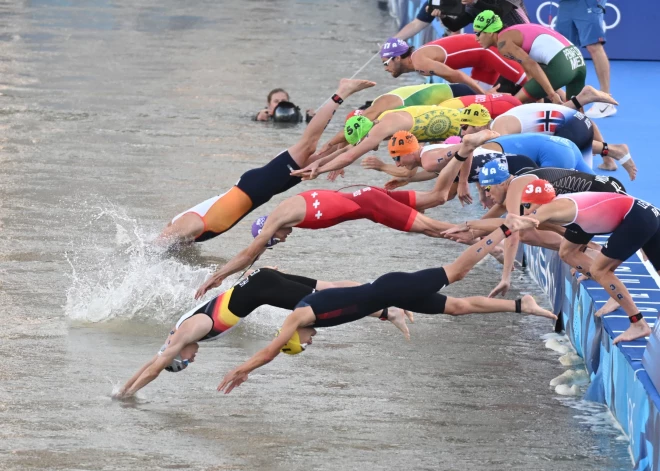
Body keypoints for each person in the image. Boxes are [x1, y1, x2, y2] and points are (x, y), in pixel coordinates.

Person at [216, 229, 557, 394]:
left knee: (457, 272)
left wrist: (243, 369)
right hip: (389, 294)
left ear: (293, 338)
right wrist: (386, 313)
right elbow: (348, 294)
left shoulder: (299, 317)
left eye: (304, 344)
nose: (312, 340)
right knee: (457, 307)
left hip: (393, 287)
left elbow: (268, 351)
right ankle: (521, 305)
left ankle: (505, 229)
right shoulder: (314, 313)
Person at [112, 268, 412, 399]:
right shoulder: (180, 336)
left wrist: (129, 393)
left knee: (327, 303)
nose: (193, 359)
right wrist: (124, 389)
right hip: (260, 282)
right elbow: (155, 360)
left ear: (179, 354)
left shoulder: (193, 330)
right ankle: (382, 294)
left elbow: (156, 366)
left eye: (186, 361)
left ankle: (389, 310)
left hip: (263, 288)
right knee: (330, 288)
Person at [158, 78, 375, 244]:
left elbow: (157, 244)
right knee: (316, 164)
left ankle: (342, 91)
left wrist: (150, 250)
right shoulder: (190, 235)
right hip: (259, 191)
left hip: (253, 188)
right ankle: (363, 131)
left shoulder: (187, 225)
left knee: (308, 145)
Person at [194, 182, 476, 299]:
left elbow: (249, 254)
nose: (283, 240)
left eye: (276, 241)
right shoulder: (285, 211)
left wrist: (217, 276)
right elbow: (254, 254)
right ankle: (464, 161)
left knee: (432, 228)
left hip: (372, 206)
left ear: (267, 232)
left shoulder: (275, 223)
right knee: (435, 201)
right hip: (367, 195)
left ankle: (487, 238)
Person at [498, 179, 655, 344]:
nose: (525, 211)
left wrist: (482, 236)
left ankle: (638, 322)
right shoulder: (561, 205)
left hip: (637, 218)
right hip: (644, 211)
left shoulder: (549, 208)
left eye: (527, 206)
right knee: (567, 252)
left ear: (540, 203)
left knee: (600, 270)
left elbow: (518, 227)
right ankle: (610, 288)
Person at [447, 161, 625, 297]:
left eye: (487, 188)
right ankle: (589, 253)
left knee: (529, 232)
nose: (486, 194)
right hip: (606, 190)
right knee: (533, 222)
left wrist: (505, 276)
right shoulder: (517, 183)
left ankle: (598, 265)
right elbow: (497, 219)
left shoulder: (516, 187)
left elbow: (512, 233)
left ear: (501, 183)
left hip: (605, 198)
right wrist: (472, 230)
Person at [363, 129, 537, 208]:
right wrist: (406, 179)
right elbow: (438, 173)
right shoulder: (428, 158)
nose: (398, 164)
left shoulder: (429, 160)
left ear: (409, 152)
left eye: (397, 158)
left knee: (524, 209)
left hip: (517, 168)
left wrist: (463, 183)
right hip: (511, 167)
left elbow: (467, 147)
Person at [464, 99, 634, 178]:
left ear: (479, 126)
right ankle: (611, 151)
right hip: (575, 123)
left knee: (575, 183)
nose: (463, 134)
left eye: (465, 128)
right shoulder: (498, 125)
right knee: (590, 181)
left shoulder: (499, 132)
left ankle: (613, 151)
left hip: (571, 126)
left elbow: (515, 164)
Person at [292, 106, 464, 181]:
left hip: (464, 125)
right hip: (451, 125)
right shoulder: (378, 124)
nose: (364, 146)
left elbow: (351, 155)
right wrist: (318, 161)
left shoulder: (380, 130)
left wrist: (320, 171)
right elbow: (348, 149)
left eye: (362, 142)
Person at [316, 83, 477, 155]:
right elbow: (350, 142)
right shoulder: (378, 120)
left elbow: (352, 149)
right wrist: (330, 149)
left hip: (458, 96)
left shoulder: (384, 112)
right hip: (442, 110)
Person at [473, 10, 587, 104]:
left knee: (512, 104)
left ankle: (591, 95)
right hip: (577, 59)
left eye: (478, 33)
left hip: (563, 64)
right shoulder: (514, 31)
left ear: (490, 32)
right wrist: (539, 99)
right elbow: (528, 69)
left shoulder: (503, 44)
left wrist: (552, 95)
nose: (476, 38)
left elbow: (531, 64)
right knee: (577, 113)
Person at [380, 35, 527, 95]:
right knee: (483, 105)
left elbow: (457, 75)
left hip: (487, 51)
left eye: (386, 63)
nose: (385, 68)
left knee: (531, 84)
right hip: (480, 63)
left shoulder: (420, 62)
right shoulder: (419, 59)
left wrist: (483, 92)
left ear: (398, 58)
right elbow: (453, 78)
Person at [555, 0, 615, 118]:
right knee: (563, 47)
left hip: (588, 3)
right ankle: (569, 97)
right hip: (565, 4)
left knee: (594, 46)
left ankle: (605, 100)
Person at [395, 0, 530, 43]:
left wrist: (475, 2)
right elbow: (456, 25)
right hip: (503, 44)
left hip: (525, 38)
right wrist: (443, 16)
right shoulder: (471, 5)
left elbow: (500, 11)